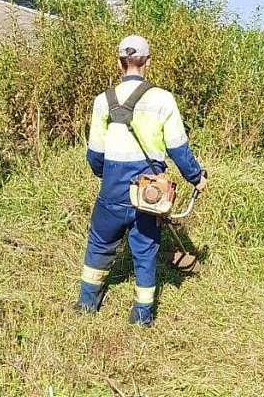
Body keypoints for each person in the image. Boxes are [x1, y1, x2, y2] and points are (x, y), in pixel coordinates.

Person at [74, 35, 208, 327]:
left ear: (119, 62)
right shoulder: (163, 99)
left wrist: (107, 176)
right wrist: (197, 178)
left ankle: (86, 305)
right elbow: (178, 149)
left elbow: (94, 156)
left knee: (99, 244)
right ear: (148, 61)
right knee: (146, 251)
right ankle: (141, 318)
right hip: (149, 193)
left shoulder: (102, 101)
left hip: (111, 186)